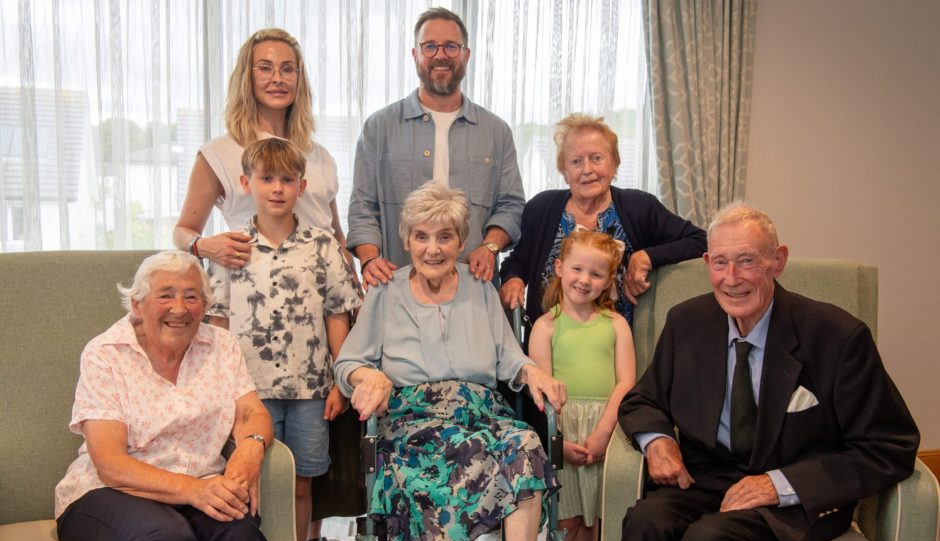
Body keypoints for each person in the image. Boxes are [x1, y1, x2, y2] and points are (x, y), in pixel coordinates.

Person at [618, 203, 920, 541]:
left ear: (778, 261)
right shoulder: (687, 323)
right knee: (644, 523)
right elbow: (643, 400)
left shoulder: (837, 337)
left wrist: (778, 485)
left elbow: (889, 446)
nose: (731, 278)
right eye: (720, 262)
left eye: (746, 260)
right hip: (706, 481)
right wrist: (659, 442)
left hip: (791, 498)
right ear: (707, 264)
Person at [334, 181, 567, 541]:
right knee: (426, 469)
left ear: (460, 242)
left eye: (445, 236)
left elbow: (509, 357)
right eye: (421, 236)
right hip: (412, 424)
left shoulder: (480, 287)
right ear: (407, 241)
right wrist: (367, 376)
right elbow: (347, 363)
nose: (433, 248)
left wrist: (532, 371)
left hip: (481, 416)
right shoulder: (385, 291)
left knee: (524, 443)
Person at [54, 250, 273, 541]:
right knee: (167, 539)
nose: (180, 309)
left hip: (200, 489)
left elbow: (252, 413)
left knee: (242, 535)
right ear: (137, 304)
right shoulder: (105, 354)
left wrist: (251, 449)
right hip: (107, 493)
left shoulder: (222, 346)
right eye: (166, 296)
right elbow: (109, 464)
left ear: (206, 305)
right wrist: (192, 490)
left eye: (191, 296)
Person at [205, 138, 362, 541]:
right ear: (246, 183)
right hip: (249, 392)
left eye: (287, 180)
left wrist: (341, 380)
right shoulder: (230, 248)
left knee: (300, 482)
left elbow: (336, 314)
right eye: (266, 178)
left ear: (301, 185)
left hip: (311, 391)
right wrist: (220, 388)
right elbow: (216, 322)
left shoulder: (322, 246)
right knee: (253, 481)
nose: (277, 188)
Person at [348, 6, 525, 288]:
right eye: (429, 46)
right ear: (415, 55)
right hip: (399, 288)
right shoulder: (379, 128)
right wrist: (369, 260)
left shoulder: (496, 131)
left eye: (451, 47)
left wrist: (490, 247)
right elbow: (363, 208)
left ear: (466, 55)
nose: (440, 55)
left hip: (473, 289)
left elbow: (511, 205)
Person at [499, 113, 706, 333]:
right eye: (576, 162)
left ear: (614, 164)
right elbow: (517, 262)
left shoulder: (639, 207)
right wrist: (514, 279)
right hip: (548, 343)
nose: (587, 169)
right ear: (565, 172)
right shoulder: (541, 208)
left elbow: (701, 240)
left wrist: (647, 257)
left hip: (618, 347)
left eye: (596, 158)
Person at [174, 27, 349, 271]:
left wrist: (354, 289)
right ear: (247, 77)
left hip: (322, 291)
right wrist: (203, 246)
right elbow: (183, 230)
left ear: (299, 79)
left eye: (287, 69)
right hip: (255, 292)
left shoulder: (321, 156)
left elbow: (336, 236)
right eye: (265, 68)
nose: (278, 78)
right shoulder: (218, 154)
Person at [527, 230, 636, 541]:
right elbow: (542, 392)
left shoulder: (616, 324)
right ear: (560, 267)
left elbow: (626, 383)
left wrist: (604, 432)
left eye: (596, 273)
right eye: (577, 269)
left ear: (608, 281)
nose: (585, 280)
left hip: (608, 427)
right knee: (567, 519)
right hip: (564, 429)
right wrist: (559, 441)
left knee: (593, 521)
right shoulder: (545, 327)